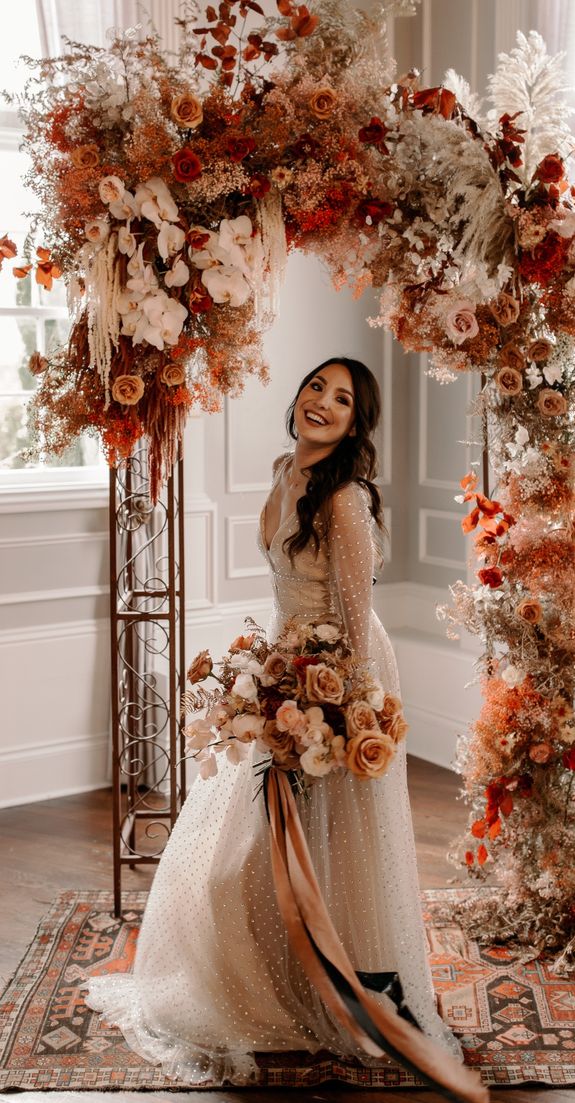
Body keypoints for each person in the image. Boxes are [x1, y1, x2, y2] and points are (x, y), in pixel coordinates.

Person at [84, 357, 464, 1084]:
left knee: (302, 853)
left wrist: (335, 712)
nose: (322, 401)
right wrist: (265, 672)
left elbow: (354, 624)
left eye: (343, 398)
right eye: (316, 386)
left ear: (357, 424)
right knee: (247, 859)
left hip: (334, 679)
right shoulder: (284, 467)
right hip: (285, 670)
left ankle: (319, 991)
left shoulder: (344, 499)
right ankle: (270, 979)